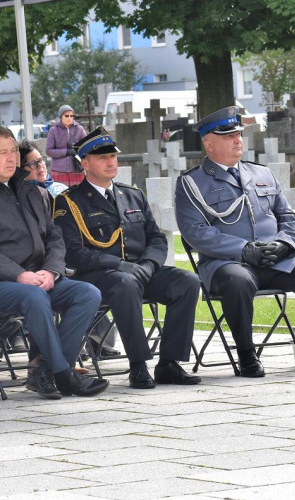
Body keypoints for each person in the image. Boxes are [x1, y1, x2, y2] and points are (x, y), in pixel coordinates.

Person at [175, 106, 295, 377]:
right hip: (229, 265)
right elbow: (195, 232)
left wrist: (284, 245)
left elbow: (288, 217)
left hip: (276, 261)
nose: (237, 140)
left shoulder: (261, 174)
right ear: (209, 144)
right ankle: (246, 354)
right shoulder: (192, 183)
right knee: (237, 281)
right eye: (229, 136)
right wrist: (243, 250)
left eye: (238, 134)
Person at [0, 126, 107, 399]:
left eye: (13, 151)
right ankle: (63, 374)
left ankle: (44, 371)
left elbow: (54, 237)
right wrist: (19, 274)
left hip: (39, 278)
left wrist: (53, 270)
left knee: (87, 293)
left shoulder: (31, 191)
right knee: (34, 296)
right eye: (2, 153)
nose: (11, 158)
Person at [53, 127, 202, 388]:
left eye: (113, 156)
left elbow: (155, 238)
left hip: (140, 270)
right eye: (102, 158)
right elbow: (73, 252)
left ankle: (169, 363)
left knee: (187, 281)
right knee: (125, 283)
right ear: (85, 163)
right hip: (100, 276)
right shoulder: (70, 202)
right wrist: (119, 264)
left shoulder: (132, 194)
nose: (111, 162)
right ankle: (138, 364)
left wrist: (148, 264)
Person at [19, 141, 67, 212]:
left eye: (40, 160)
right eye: (33, 163)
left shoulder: (62, 190)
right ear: (21, 170)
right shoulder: (21, 197)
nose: (40, 165)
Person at [45, 105, 86, 187]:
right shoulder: (54, 130)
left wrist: (77, 152)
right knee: (60, 197)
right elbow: (49, 150)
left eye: (71, 116)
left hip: (76, 169)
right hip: (59, 171)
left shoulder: (79, 129)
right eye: (66, 116)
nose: (69, 118)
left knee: (78, 197)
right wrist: (66, 152)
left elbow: (86, 147)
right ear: (61, 117)